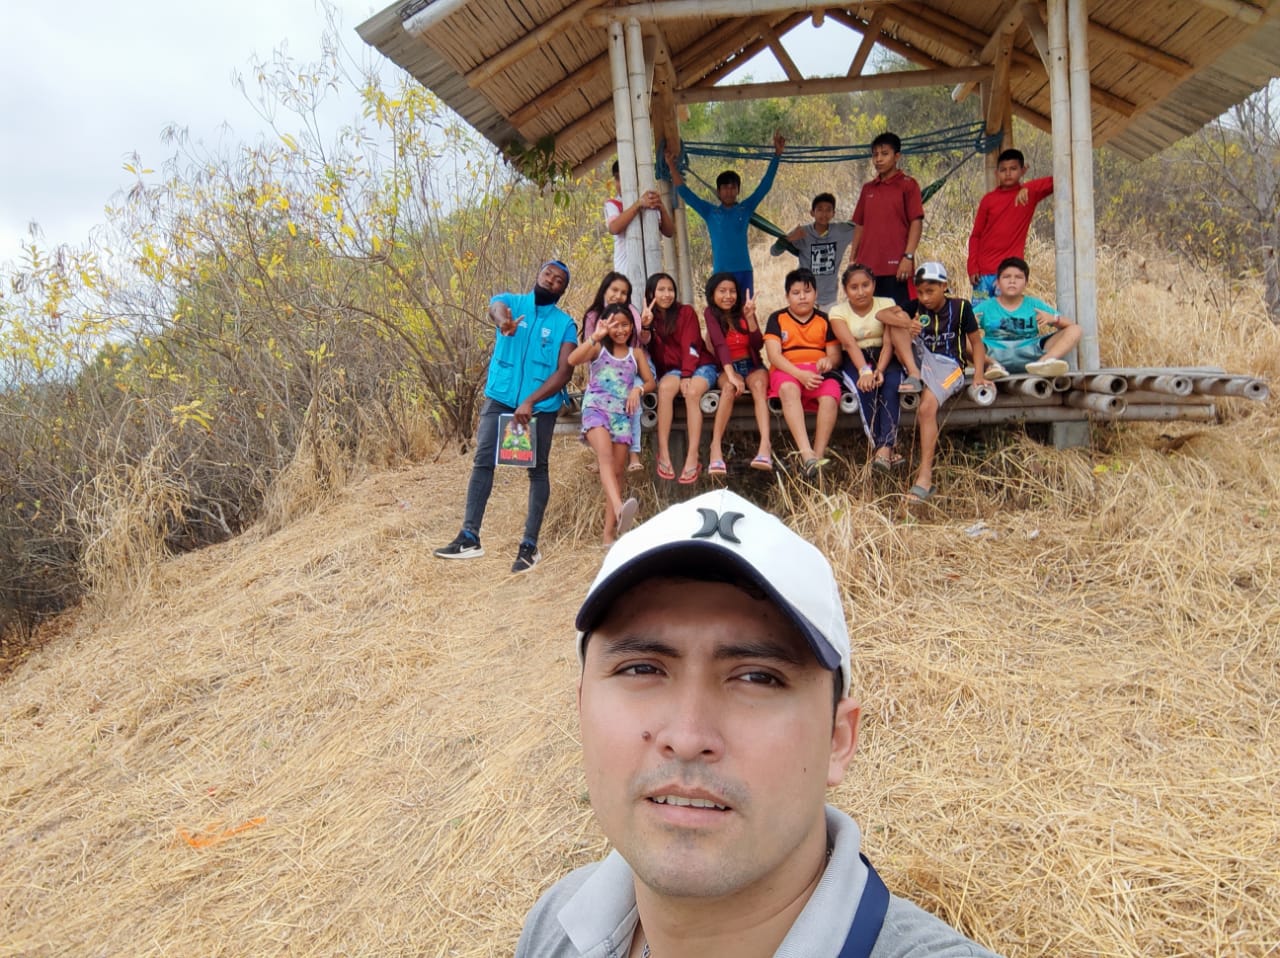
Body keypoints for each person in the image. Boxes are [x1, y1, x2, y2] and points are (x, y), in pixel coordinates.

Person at [515, 488, 1005, 958]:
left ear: (838, 740)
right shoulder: (555, 926)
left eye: (757, 678)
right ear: (582, 707)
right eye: (641, 669)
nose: (687, 738)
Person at [433, 261, 576, 572]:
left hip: (539, 407)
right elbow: (495, 308)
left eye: (558, 280)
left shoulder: (565, 324)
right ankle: (469, 537)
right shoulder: (511, 302)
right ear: (538, 274)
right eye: (547, 274)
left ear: (562, 290)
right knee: (483, 460)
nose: (550, 280)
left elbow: (565, 371)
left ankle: (529, 547)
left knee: (537, 470)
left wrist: (530, 401)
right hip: (501, 397)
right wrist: (503, 323)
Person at [884, 262, 991, 504]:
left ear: (944, 286)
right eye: (920, 292)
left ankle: (925, 476)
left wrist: (978, 375)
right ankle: (913, 374)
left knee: (926, 408)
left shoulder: (960, 307)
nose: (925, 297)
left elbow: (976, 343)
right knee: (895, 320)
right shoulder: (916, 306)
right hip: (922, 361)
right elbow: (882, 315)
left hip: (950, 366)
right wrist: (907, 324)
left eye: (930, 291)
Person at [569, 303, 656, 546]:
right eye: (615, 325)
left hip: (622, 416)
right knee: (605, 457)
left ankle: (609, 537)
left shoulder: (636, 354)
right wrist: (595, 336)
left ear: (632, 327)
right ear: (605, 325)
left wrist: (638, 390)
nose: (620, 330)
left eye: (625, 325)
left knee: (618, 473)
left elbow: (650, 382)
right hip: (596, 410)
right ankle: (619, 507)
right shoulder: (598, 348)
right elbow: (572, 359)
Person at [667, 132, 786, 297]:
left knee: (746, 309)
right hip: (721, 273)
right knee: (722, 310)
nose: (729, 192)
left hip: (744, 270)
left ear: (738, 190)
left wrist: (777, 155)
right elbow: (685, 193)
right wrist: (671, 166)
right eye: (725, 188)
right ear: (718, 191)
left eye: (732, 188)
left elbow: (765, 186)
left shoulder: (745, 208)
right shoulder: (710, 212)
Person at [763, 268, 842, 479]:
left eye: (807, 292)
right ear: (787, 296)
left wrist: (828, 360)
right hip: (787, 370)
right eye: (796, 293)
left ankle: (818, 456)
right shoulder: (777, 318)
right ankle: (806, 454)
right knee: (788, 389)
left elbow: (835, 355)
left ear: (816, 294)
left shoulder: (825, 319)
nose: (802, 297)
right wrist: (799, 374)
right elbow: (774, 355)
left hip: (818, 372)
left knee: (830, 396)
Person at [828, 263, 905, 473]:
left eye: (865, 285)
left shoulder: (887, 303)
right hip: (855, 358)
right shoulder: (837, 311)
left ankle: (883, 450)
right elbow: (849, 344)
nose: (861, 292)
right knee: (865, 389)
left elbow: (888, 342)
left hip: (884, 355)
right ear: (846, 290)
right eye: (854, 287)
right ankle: (885, 448)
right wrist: (865, 371)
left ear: (874, 284)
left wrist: (880, 369)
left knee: (891, 387)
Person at [644, 273, 718, 485]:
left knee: (692, 392)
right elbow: (644, 346)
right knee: (665, 389)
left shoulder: (686, 312)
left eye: (670, 289)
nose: (667, 294)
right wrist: (646, 326)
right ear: (651, 293)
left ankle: (693, 456)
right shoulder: (650, 319)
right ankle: (664, 453)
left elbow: (691, 345)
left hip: (700, 365)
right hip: (675, 371)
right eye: (661, 290)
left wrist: (687, 374)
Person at [702, 273, 772, 476]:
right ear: (712, 294)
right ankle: (715, 447)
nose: (728, 296)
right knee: (728, 387)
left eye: (732, 291)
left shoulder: (744, 309)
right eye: (722, 291)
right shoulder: (710, 313)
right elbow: (720, 344)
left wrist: (750, 318)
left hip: (751, 365)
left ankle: (765, 446)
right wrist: (731, 375)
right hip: (727, 367)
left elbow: (757, 344)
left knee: (759, 386)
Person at [583, 272, 651, 473]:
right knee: (593, 397)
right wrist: (592, 379)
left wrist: (646, 326)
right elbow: (589, 350)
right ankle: (601, 455)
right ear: (604, 290)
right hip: (605, 369)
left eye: (624, 293)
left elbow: (642, 341)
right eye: (614, 290)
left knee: (632, 395)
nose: (618, 296)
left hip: (634, 366)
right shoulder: (594, 316)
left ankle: (634, 452)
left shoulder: (631, 312)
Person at [967, 149, 1053, 303]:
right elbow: (976, 236)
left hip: (1009, 273)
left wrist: (1027, 187)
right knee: (979, 314)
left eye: (1013, 169)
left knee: (1005, 313)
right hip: (983, 274)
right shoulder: (988, 200)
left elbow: (1058, 179)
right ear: (996, 173)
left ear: (1023, 170)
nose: (1008, 174)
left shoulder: (1028, 194)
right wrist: (972, 266)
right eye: (1003, 170)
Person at [850, 133, 924, 307]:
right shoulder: (868, 188)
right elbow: (860, 224)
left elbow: (916, 222)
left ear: (897, 156)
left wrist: (908, 257)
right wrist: (853, 259)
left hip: (896, 268)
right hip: (867, 269)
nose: (879, 159)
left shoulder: (908, 185)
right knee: (869, 317)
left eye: (884, 154)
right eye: (875, 154)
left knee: (899, 316)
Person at [974, 257, 1081, 377]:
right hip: (994, 352)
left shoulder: (1034, 304)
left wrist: (1054, 318)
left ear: (1026, 283)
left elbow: (1070, 325)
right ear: (997, 283)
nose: (1012, 281)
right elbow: (961, 326)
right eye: (1006, 277)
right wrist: (970, 325)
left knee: (1076, 329)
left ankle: (1044, 363)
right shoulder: (986, 306)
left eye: (1018, 277)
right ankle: (991, 365)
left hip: (1030, 352)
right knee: (961, 337)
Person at [771, 192, 857, 311]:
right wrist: (789, 239)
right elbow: (774, 252)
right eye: (820, 209)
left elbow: (863, 227)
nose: (824, 214)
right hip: (804, 296)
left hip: (829, 298)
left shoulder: (841, 231)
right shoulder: (803, 232)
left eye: (828, 210)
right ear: (812, 212)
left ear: (833, 213)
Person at [606, 160, 675, 280]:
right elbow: (614, 228)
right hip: (625, 273)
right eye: (617, 178)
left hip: (651, 267)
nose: (621, 184)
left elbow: (669, 232)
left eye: (624, 178)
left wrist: (661, 207)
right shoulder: (613, 204)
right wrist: (638, 204)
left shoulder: (648, 201)